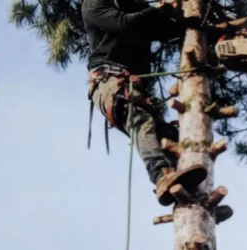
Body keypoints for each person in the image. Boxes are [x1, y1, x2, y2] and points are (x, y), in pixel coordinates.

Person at [81, 0, 208, 206]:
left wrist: (199, 27)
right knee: (140, 121)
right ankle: (161, 176)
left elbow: (171, 31)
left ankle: (195, 198)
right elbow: (123, 24)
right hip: (110, 81)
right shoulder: (94, 3)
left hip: (127, 83)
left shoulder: (136, 8)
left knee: (171, 138)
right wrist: (161, 8)